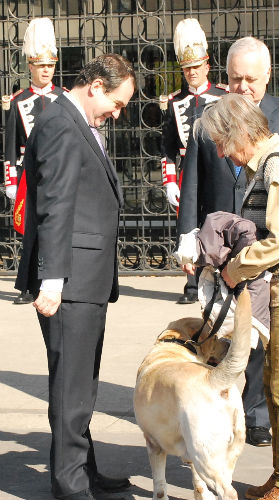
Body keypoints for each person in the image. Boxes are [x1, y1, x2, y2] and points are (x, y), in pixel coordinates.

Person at [177, 36, 279, 447]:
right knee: (221, 329)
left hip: (269, 240)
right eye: (235, 78)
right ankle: (218, 407)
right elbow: (193, 183)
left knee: (259, 329)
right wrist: (189, 239)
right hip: (219, 243)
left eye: (251, 79)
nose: (243, 87)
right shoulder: (209, 118)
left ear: (267, 76)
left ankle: (255, 414)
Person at [15, 53, 136, 500]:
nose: (118, 113)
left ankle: (82, 470)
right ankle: (69, 486)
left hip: (86, 278)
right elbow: (55, 204)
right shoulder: (63, 123)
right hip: (70, 281)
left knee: (82, 384)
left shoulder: (76, 120)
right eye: (117, 103)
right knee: (70, 387)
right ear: (97, 87)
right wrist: (52, 280)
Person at [196, 92, 279, 500]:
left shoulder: (278, 167)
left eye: (221, 142)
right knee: (276, 383)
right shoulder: (273, 161)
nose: (220, 153)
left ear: (239, 134)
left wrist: (236, 269)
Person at [160, 18, 227, 304]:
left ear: (207, 66)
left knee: (217, 220)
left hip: (217, 167)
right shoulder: (174, 102)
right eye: (187, 69)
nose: (192, 73)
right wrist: (170, 180)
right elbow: (167, 147)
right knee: (189, 224)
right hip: (188, 170)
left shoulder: (223, 95)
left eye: (196, 67)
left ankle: (221, 275)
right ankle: (191, 286)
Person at [2, 17, 65, 305]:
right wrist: (11, 181)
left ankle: (55, 280)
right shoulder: (18, 101)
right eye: (41, 66)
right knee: (31, 232)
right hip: (30, 176)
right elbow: (11, 146)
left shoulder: (64, 97)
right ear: (30, 67)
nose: (46, 71)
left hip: (59, 173)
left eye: (50, 66)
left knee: (57, 227)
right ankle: (29, 285)